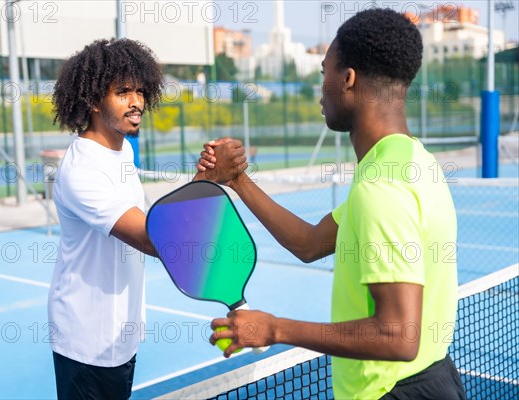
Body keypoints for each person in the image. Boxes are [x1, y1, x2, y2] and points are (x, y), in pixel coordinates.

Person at [200, 9, 466, 400]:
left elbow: (399, 335)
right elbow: (309, 244)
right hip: (433, 379)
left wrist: (276, 329)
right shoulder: (411, 162)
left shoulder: (382, 187)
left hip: (390, 391)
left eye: (325, 71)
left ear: (348, 79)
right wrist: (238, 179)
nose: (320, 86)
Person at [49, 38, 246, 400]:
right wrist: (206, 184)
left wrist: (201, 183)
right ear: (93, 100)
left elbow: (155, 222)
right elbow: (154, 239)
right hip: (87, 340)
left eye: (139, 90)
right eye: (122, 92)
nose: (137, 101)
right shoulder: (82, 171)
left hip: (121, 333)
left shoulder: (121, 149)